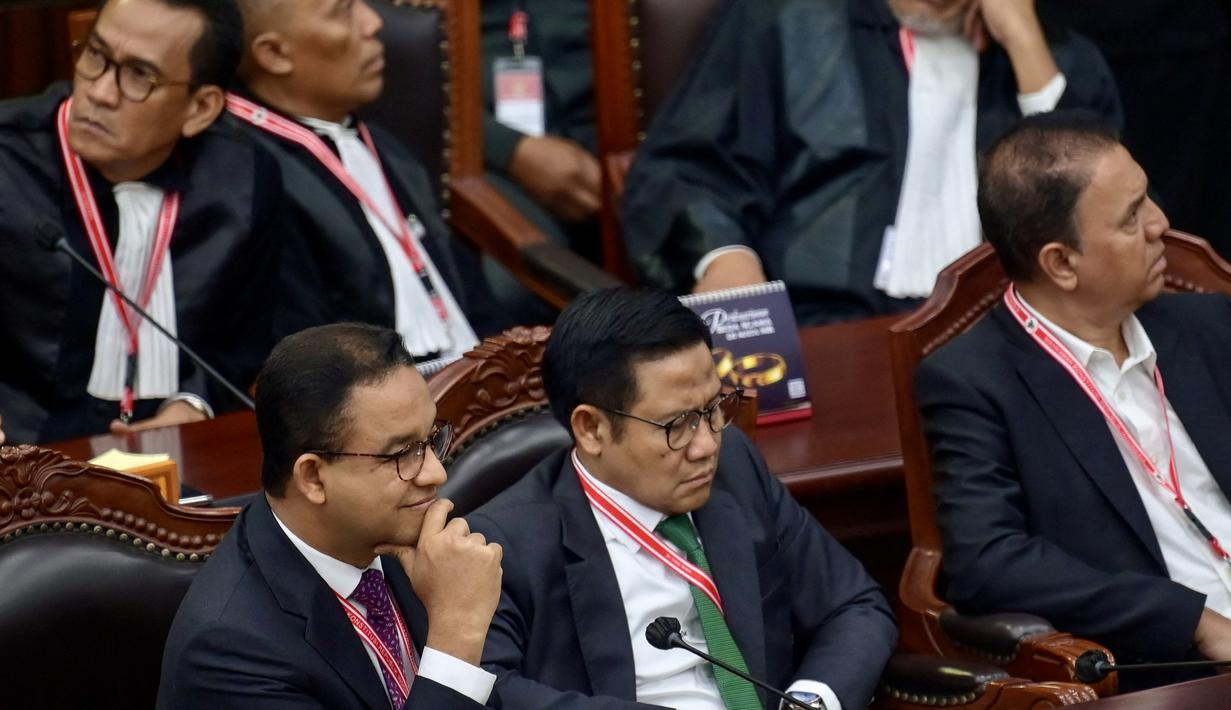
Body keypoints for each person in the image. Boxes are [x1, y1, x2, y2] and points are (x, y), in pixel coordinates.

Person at [917, 112, 1231, 691]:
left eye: (1148, 198)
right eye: (1132, 216)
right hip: (1173, 673)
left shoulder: (1210, 325)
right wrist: (1194, 621)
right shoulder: (974, 382)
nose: (1162, 224)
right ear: (1061, 263)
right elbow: (988, 562)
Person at [469, 288, 897, 709]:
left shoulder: (736, 466)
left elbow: (854, 605)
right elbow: (490, 691)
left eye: (713, 409)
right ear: (592, 429)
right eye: (678, 424)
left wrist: (810, 702)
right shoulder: (508, 543)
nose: (708, 445)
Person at [621, 0, 1121, 325]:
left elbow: (1108, 214)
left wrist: (1025, 44)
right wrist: (726, 259)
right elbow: (682, 171)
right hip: (825, 324)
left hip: (1012, 336)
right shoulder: (787, 19)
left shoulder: (1051, 51)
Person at [158, 322, 504, 708]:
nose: (436, 473)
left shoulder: (410, 543)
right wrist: (456, 635)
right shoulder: (229, 652)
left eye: (429, 440)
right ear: (313, 477)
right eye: (401, 453)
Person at [0, 0, 281, 444]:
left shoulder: (241, 181)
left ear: (200, 108)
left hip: (181, 457)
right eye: (96, 55)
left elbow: (247, 342)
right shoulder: (8, 160)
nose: (100, 92)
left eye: (138, 76)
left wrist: (193, 406)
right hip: (27, 462)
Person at [230, 0, 499, 362]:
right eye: (343, 11)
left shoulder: (385, 147)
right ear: (275, 53)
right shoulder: (250, 179)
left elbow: (473, 302)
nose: (373, 22)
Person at [479, 0, 600, 321]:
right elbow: (400, 76)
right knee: (506, 288)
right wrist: (511, 149)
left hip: (631, 151)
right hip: (489, 161)